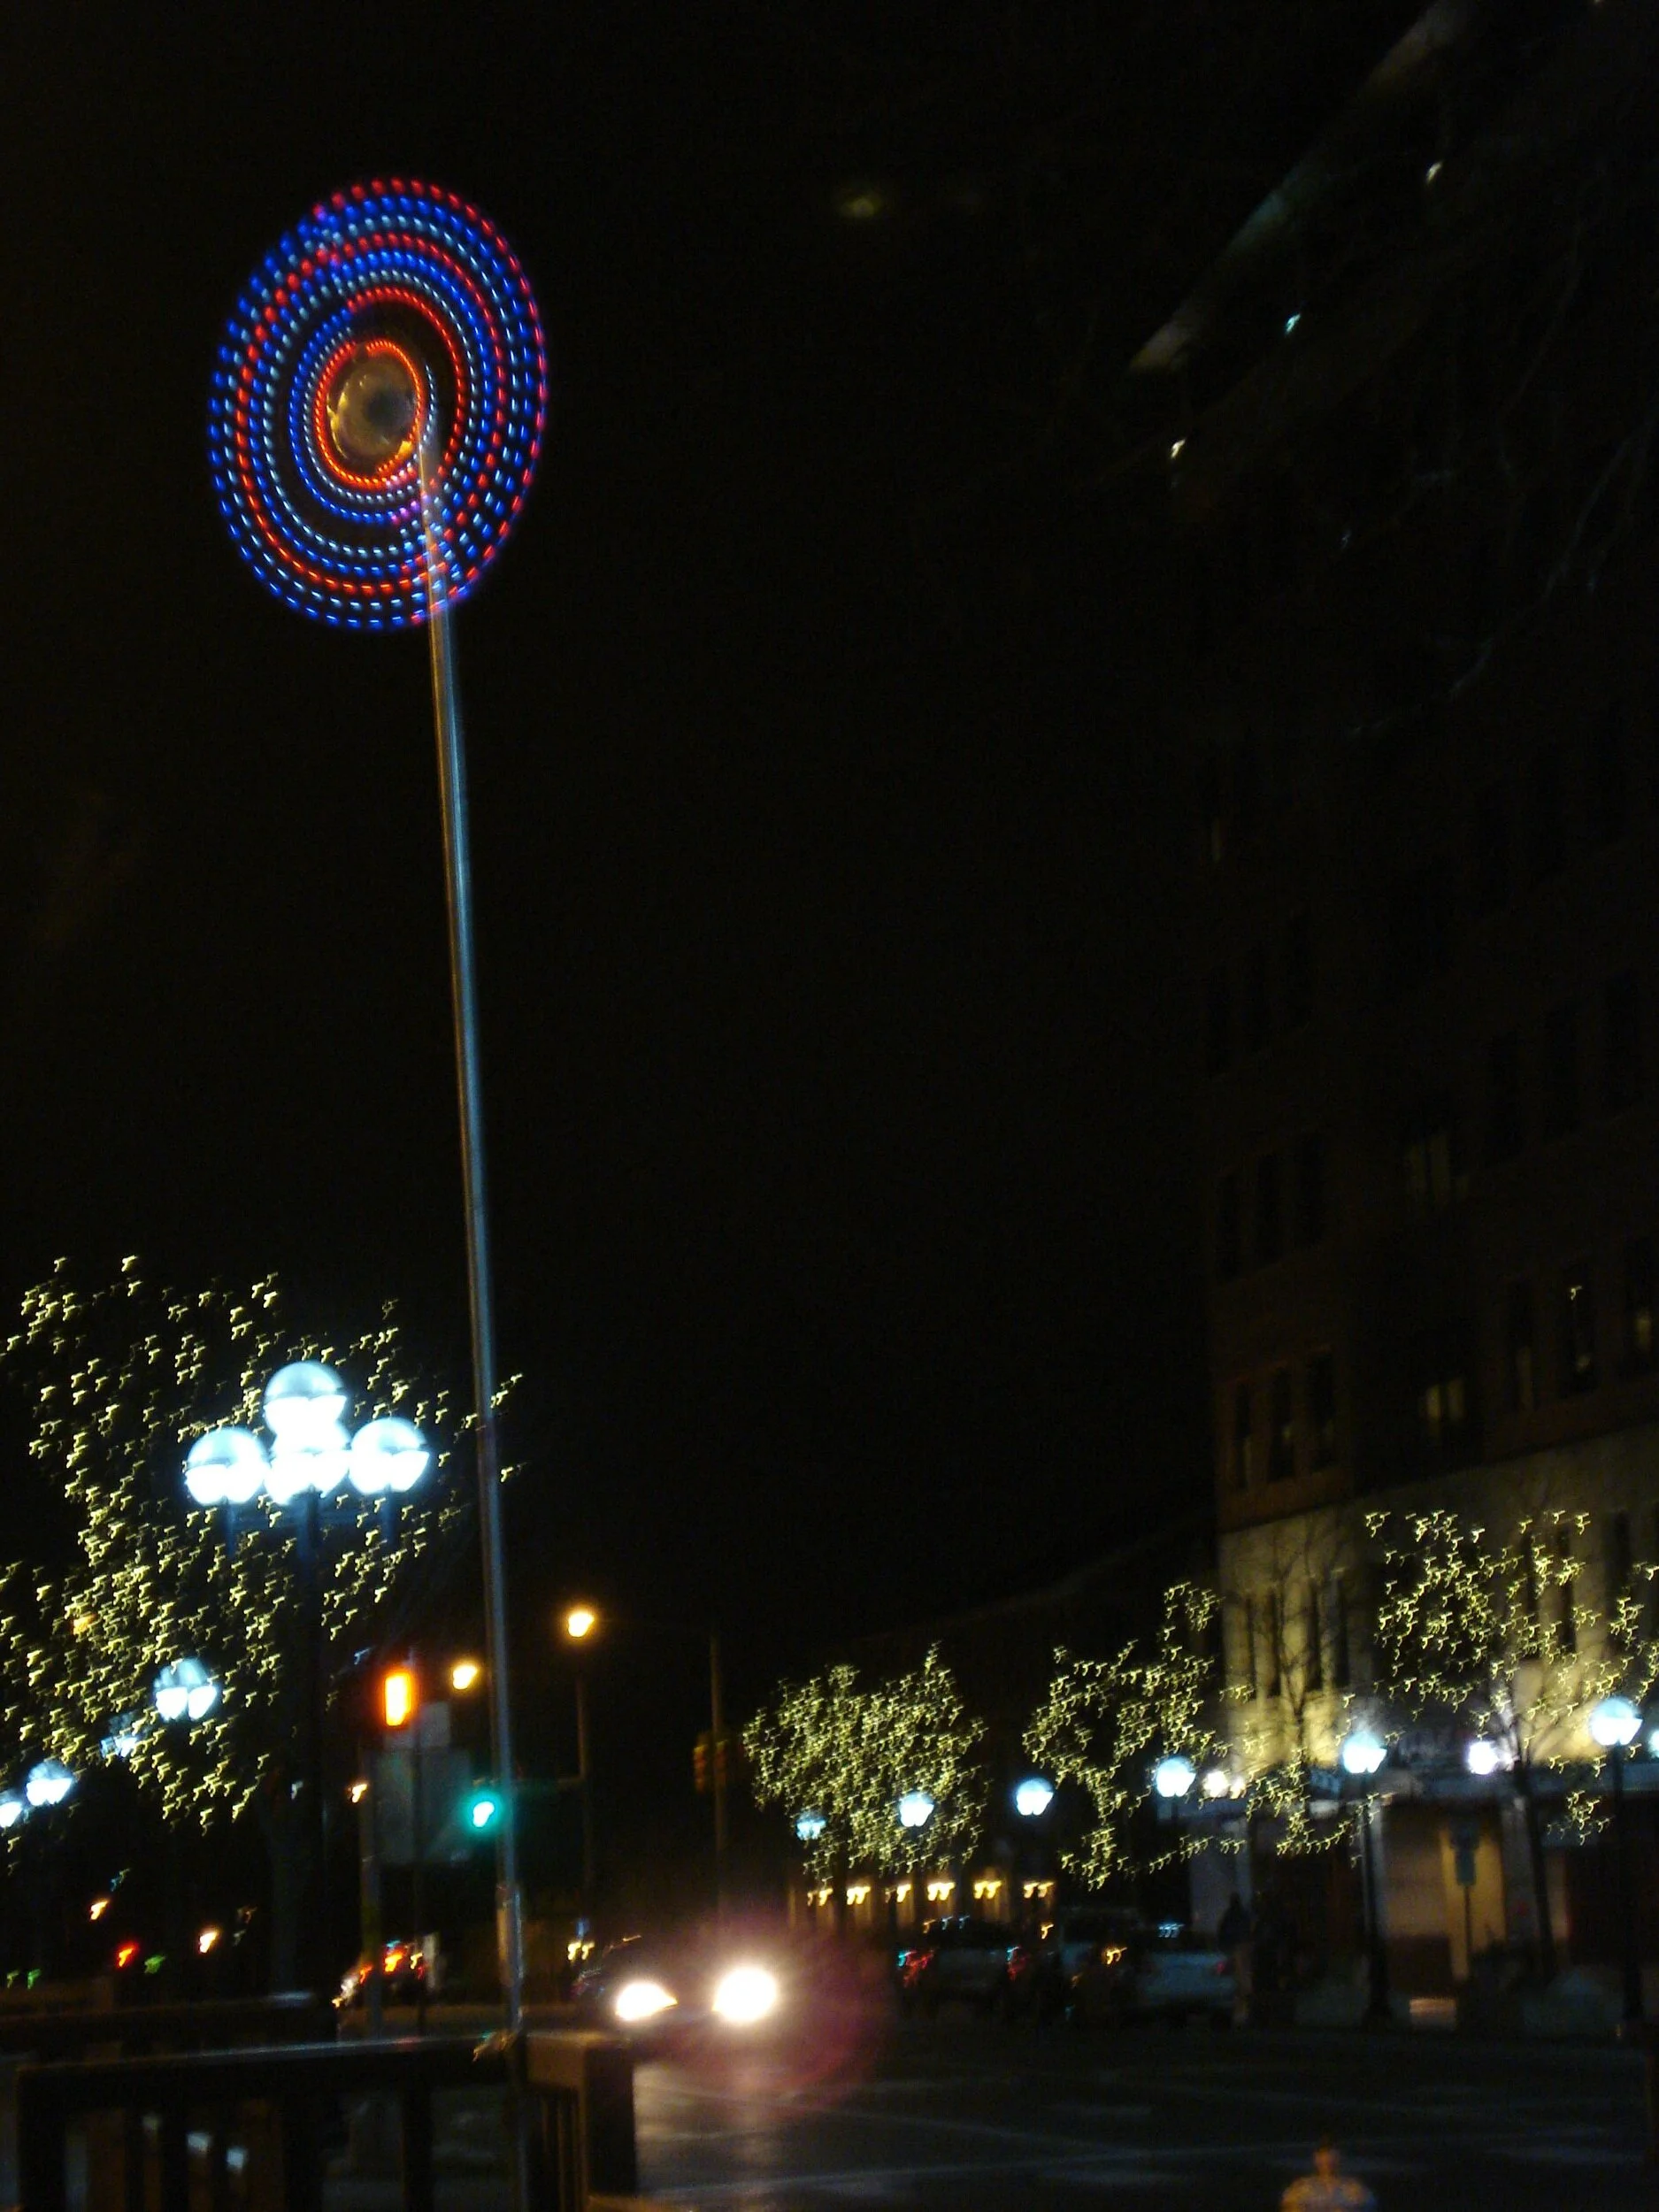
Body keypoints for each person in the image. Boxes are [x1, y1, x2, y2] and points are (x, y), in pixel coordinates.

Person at [1281, 2139, 1375, 2211]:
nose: (1328, 2163)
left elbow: (1368, 2207)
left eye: (1333, 2159)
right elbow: (1289, 2207)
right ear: (1316, 2160)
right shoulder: (1300, 2188)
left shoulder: (1356, 2189)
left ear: (1340, 2159)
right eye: (1324, 2160)